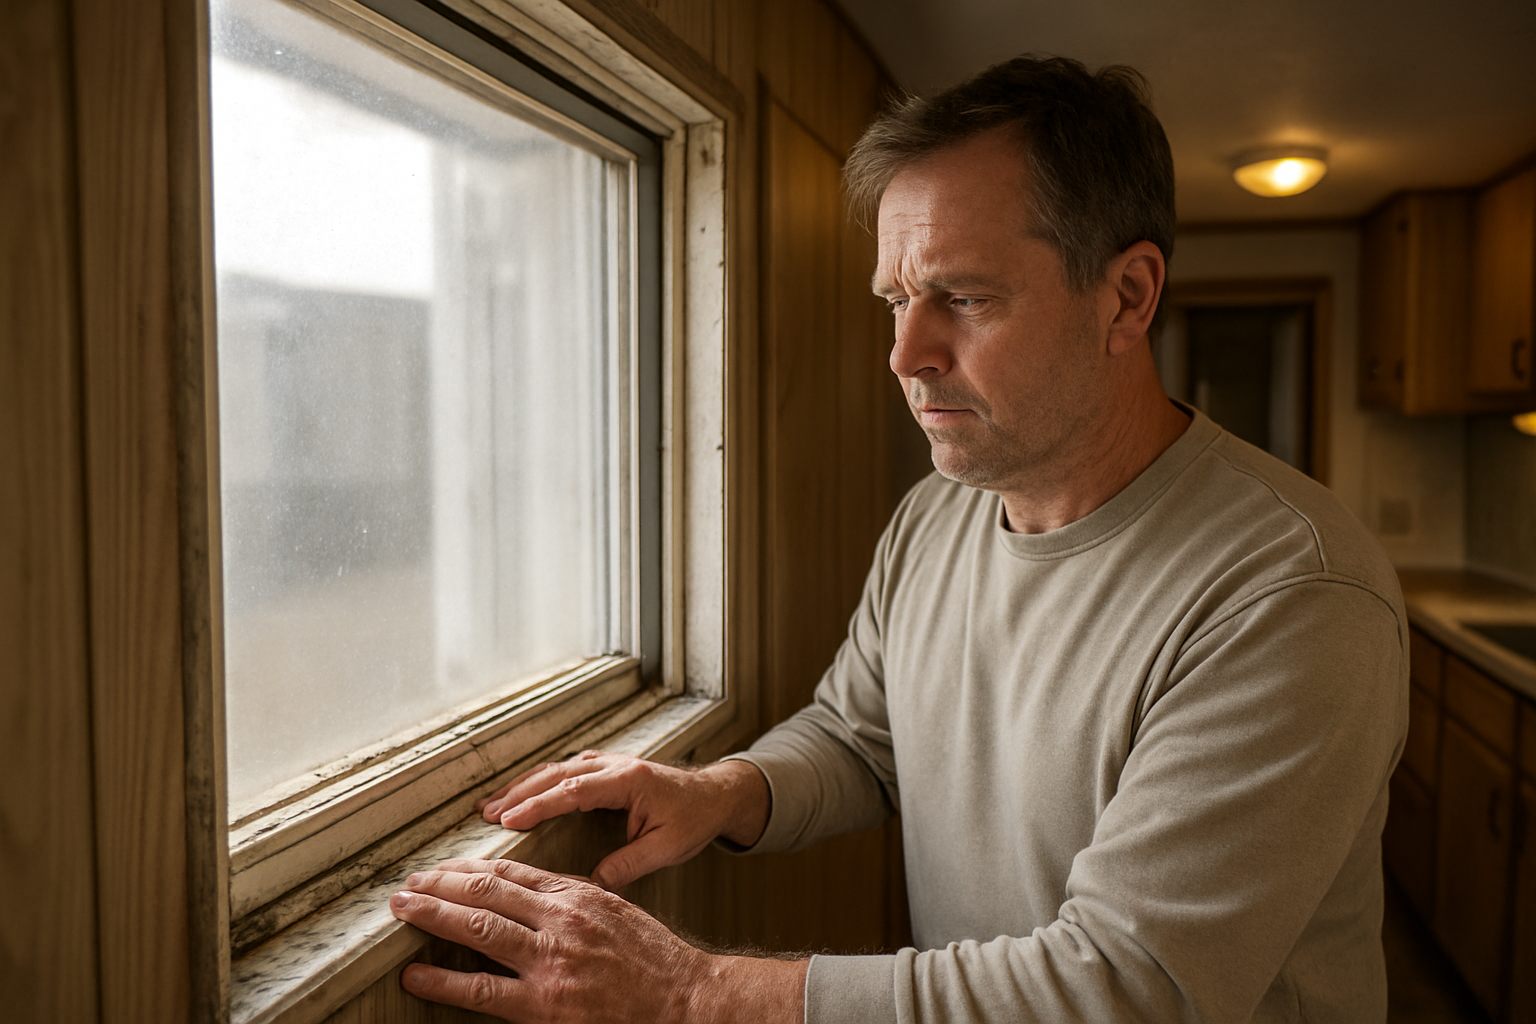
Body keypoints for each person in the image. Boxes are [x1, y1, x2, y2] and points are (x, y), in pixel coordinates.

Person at [388, 55, 1408, 1023]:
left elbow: (1126, 990)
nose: (906, 354)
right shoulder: (938, 514)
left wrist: (692, 994)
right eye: (896, 299)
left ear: (1127, 297)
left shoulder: (1291, 593)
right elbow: (861, 735)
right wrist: (721, 791)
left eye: (963, 297)